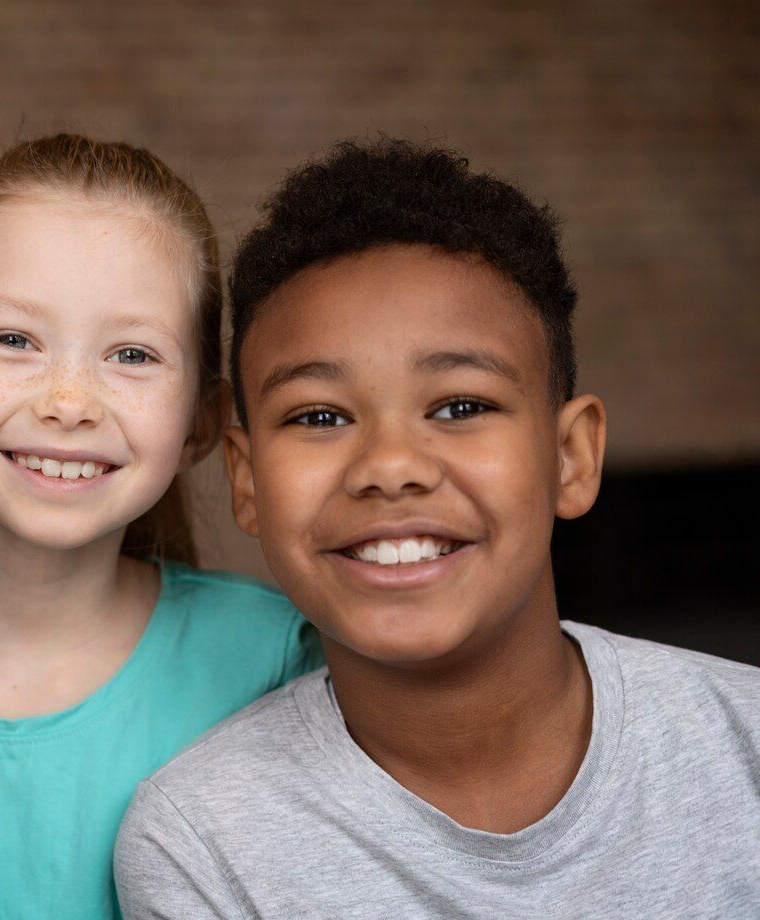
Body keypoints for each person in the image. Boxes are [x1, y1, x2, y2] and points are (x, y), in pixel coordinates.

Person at [114, 139, 760, 919]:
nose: (390, 465)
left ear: (571, 456)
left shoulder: (742, 749)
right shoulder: (202, 844)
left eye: (460, 407)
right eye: (320, 416)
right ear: (246, 482)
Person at [0, 134, 323, 919]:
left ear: (201, 424)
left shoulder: (277, 662)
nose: (68, 401)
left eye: (133, 354)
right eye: (13, 340)